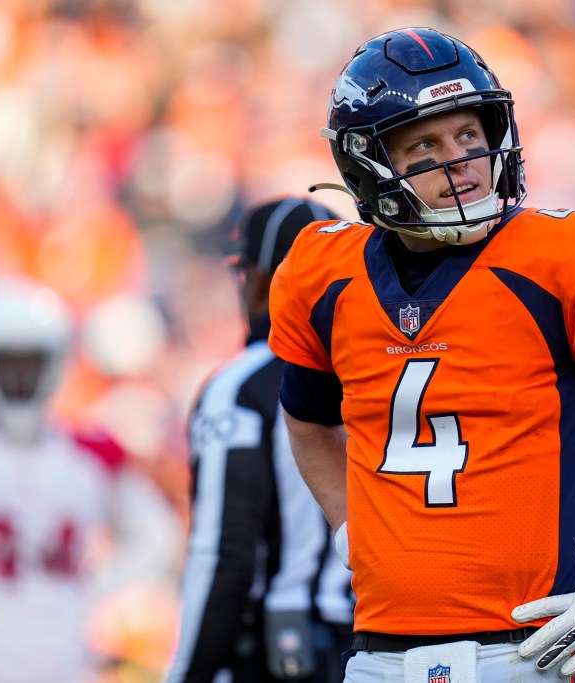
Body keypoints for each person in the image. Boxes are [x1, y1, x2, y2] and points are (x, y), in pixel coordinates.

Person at [268, 27, 575, 682]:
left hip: (525, 655)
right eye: (425, 145)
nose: (461, 162)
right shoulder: (323, 273)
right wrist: (350, 534)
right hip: (377, 659)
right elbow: (307, 418)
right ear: (367, 160)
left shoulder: (563, 260)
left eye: (470, 137)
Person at [0, 276, 180, 683]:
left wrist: (98, 590)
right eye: (7, 364)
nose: (20, 378)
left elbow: (157, 536)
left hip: (63, 661)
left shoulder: (91, 458)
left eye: (30, 364)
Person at [166, 197, 355, 683]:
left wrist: (190, 673)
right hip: (374, 646)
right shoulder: (383, 369)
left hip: (279, 651)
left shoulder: (241, 386)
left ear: (259, 281)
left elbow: (225, 553)